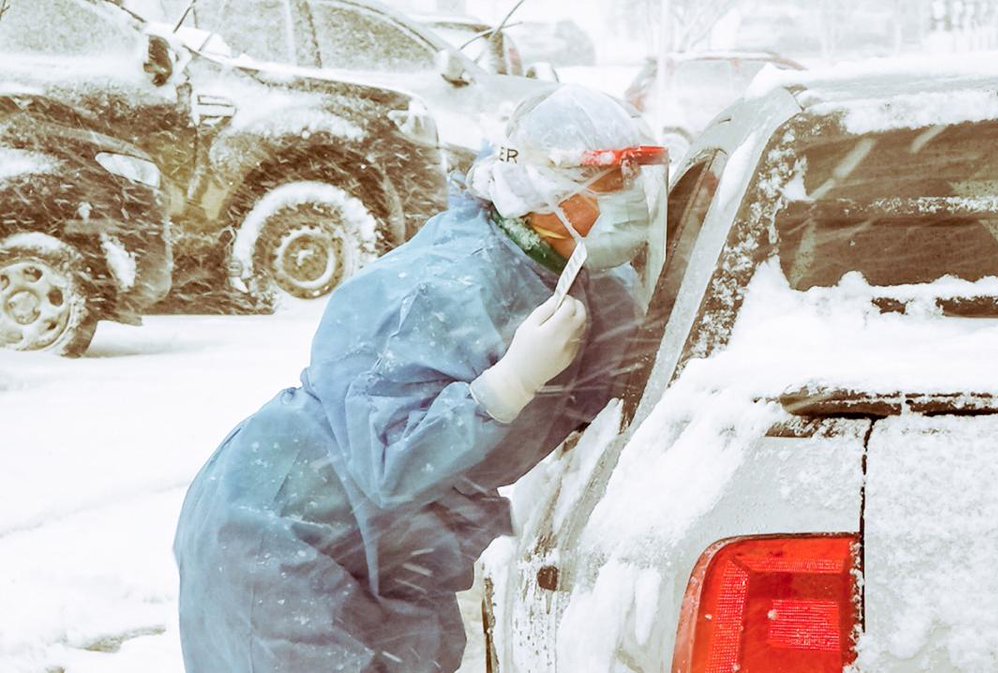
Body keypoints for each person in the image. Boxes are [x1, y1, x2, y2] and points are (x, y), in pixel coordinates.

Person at [173, 85, 668, 673]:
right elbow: (386, 459)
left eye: (636, 180)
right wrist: (504, 386)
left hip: (401, 540)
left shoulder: (581, 272)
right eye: (612, 184)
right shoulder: (439, 288)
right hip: (281, 531)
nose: (633, 200)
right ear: (546, 191)